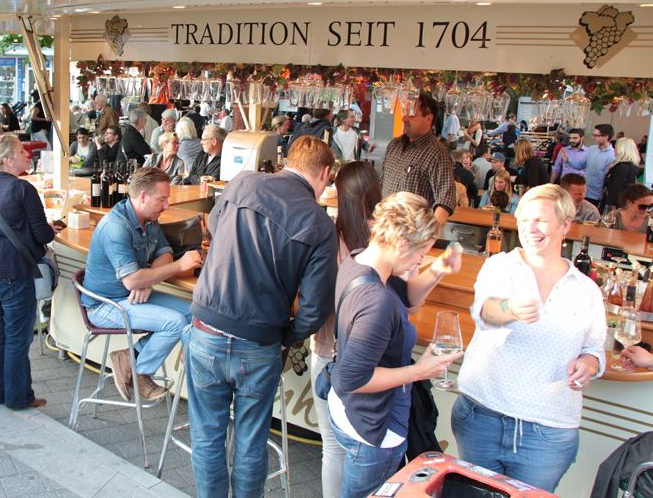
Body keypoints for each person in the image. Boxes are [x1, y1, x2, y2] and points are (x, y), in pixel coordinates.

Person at [187, 136, 337, 497]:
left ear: (287, 160)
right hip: (259, 343)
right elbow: (315, 308)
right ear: (326, 173)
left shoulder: (242, 183)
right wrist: (286, 337)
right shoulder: (319, 224)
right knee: (251, 440)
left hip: (206, 327)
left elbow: (215, 233)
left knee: (208, 436)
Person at [453, 184, 605, 492]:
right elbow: (486, 313)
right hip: (483, 414)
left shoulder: (585, 288)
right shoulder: (500, 266)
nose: (530, 229)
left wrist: (588, 364)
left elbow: (594, 349)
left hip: (548, 430)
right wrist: (510, 308)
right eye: (524, 220)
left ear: (565, 226)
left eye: (541, 220)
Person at [329, 192, 462, 497]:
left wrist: (439, 268)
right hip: (373, 426)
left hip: (349, 411)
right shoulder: (377, 302)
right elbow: (355, 378)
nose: (421, 260)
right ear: (402, 244)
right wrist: (419, 371)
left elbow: (407, 298)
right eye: (420, 254)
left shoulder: (360, 260)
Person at [81, 167, 201, 401]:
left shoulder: (147, 218)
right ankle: (140, 373)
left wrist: (149, 279)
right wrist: (177, 267)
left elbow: (164, 252)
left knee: (192, 312)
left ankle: (130, 355)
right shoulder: (116, 226)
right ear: (143, 196)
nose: (166, 206)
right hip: (105, 305)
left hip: (131, 295)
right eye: (162, 199)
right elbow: (132, 280)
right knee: (175, 323)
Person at [310, 161, 381, 497]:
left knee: (333, 447)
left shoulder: (328, 235)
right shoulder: (385, 237)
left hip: (329, 352)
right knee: (371, 449)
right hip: (376, 364)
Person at [0, 135, 57, 409]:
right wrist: (53, 229)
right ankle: (18, 396)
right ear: (8, 159)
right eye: (22, 151)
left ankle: (2, 393)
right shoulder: (23, 188)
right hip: (13, 269)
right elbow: (42, 232)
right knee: (17, 337)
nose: (27, 155)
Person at [380, 91, 456, 226]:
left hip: (412, 236)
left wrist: (426, 238)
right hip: (385, 231)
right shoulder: (393, 146)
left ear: (428, 119)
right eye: (404, 113)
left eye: (411, 115)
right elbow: (380, 186)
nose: (404, 119)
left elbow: (446, 200)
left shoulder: (436, 153)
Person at [601, 137, 641, 210]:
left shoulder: (622, 167)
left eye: (615, 148)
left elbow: (615, 191)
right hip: (619, 205)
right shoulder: (629, 166)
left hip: (614, 207)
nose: (614, 150)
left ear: (622, 150)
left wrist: (608, 210)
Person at [585, 123, 615, 207]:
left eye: (596, 135)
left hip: (597, 194)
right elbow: (582, 165)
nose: (593, 138)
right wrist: (569, 161)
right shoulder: (592, 149)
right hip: (585, 190)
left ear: (605, 137)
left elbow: (607, 176)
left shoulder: (612, 155)